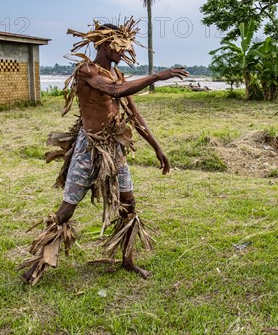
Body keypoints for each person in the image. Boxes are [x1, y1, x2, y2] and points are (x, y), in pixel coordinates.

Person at [19, 18, 189, 285]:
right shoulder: (87, 71)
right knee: (66, 210)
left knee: (129, 204)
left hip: (114, 149)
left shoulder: (117, 74)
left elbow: (134, 114)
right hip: (89, 147)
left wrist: (157, 147)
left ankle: (128, 260)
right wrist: (157, 76)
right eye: (120, 48)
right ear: (106, 44)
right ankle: (39, 265)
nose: (123, 53)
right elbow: (112, 90)